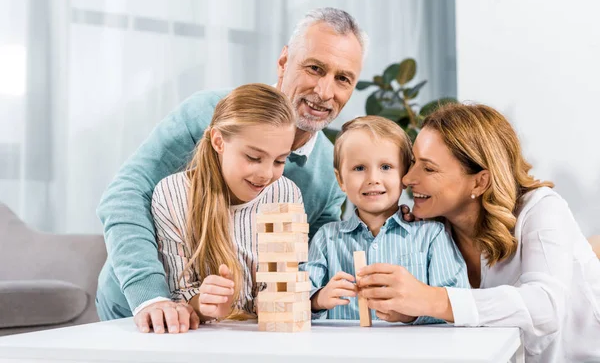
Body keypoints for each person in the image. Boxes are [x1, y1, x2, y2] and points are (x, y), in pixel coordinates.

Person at [95, 8, 368, 333]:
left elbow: (307, 269)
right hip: (138, 311)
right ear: (283, 63)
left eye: (342, 79)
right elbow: (124, 195)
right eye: (314, 68)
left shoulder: (328, 173)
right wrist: (150, 297)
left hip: (233, 329)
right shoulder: (206, 115)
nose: (325, 92)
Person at [358, 103, 600, 362]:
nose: (407, 179)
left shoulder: (542, 208)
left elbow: (546, 307)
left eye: (428, 168)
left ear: (479, 181)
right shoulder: (431, 230)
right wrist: (412, 312)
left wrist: (434, 300)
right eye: (414, 162)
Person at [150, 84, 301, 332]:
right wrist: (207, 305)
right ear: (219, 141)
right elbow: (180, 292)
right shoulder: (172, 194)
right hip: (204, 339)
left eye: (279, 160)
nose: (266, 174)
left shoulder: (287, 193)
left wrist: (277, 299)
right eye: (253, 157)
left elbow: (287, 277)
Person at [301, 116, 468, 322]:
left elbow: (458, 300)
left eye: (386, 167)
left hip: (411, 351)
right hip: (343, 351)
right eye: (359, 168)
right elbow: (296, 297)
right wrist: (317, 299)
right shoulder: (326, 238)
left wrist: (412, 315)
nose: (373, 178)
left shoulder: (431, 235)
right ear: (340, 180)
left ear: (405, 176)